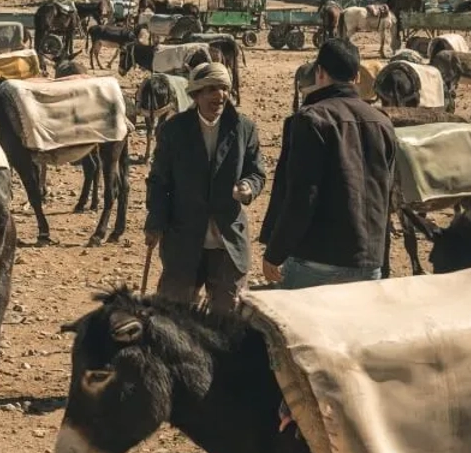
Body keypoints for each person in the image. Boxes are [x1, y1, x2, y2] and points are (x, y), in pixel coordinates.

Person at [260, 38, 396, 288]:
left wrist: (275, 252)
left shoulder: (310, 119)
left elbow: (302, 196)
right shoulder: (382, 121)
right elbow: (386, 196)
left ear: (320, 72)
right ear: (357, 77)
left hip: (317, 260)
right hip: (369, 262)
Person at [144, 61, 266, 312]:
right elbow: (159, 182)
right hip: (184, 240)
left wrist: (248, 187)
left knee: (227, 317)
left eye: (224, 88)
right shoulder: (174, 130)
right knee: (172, 314)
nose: (219, 95)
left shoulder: (243, 127)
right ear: (196, 94)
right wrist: (155, 222)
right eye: (211, 89)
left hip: (227, 242)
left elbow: (256, 172)